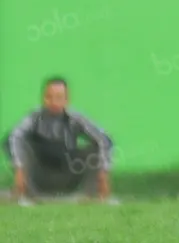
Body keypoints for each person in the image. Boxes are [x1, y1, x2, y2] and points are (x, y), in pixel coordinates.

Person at [5, 76, 113, 205]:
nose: (53, 102)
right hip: (40, 174)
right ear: (43, 98)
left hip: (69, 172)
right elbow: (14, 136)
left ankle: (88, 196)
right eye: (49, 97)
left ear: (67, 100)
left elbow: (104, 140)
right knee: (21, 144)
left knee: (94, 151)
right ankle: (26, 195)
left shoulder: (76, 119)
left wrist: (103, 173)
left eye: (59, 97)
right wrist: (19, 169)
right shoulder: (34, 117)